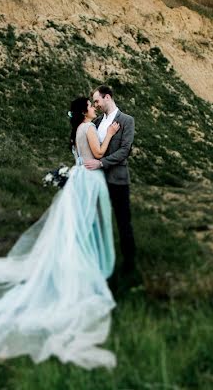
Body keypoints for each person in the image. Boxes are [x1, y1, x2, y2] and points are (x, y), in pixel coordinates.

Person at [0, 96, 121, 369]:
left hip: (80, 181)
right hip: (89, 181)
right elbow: (97, 155)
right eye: (91, 105)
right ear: (85, 110)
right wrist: (108, 134)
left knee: (75, 231)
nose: (94, 108)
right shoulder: (88, 128)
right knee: (82, 230)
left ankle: (78, 265)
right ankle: (81, 273)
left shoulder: (78, 131)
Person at [84, 85, 138, 287]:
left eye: (97, 101)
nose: (96, 105)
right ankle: (100, 264)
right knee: (97, 222)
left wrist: (101, 163)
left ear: (108, 97)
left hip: (117, 180)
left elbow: (125, 151)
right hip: (98, 181)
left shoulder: (126, 121)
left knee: (123, 222)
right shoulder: (97, 122)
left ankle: (130, 265)